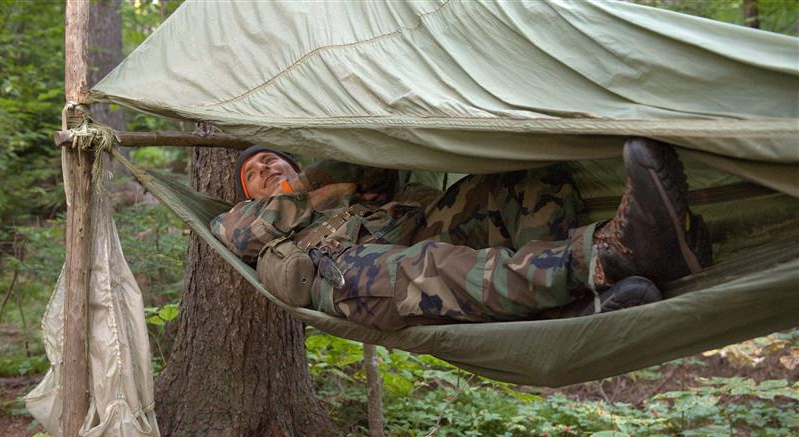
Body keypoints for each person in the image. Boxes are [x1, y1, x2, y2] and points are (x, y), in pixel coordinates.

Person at [211, 139, 712, 330]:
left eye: (274, 157)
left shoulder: (336, 181)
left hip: (412, 225)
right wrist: (307, 189)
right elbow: (243, 234)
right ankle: (611, 256)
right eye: (255, 171)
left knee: (522, 178)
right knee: (429, 267)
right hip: (346, 273)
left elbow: (363, 156)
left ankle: (573, 304)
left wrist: (320, 181)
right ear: (246, 191)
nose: (268, 166)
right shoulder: (237, 216)